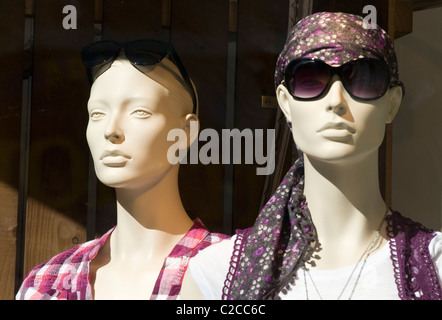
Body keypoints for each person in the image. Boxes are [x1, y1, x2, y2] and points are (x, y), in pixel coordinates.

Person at [189, 12, 442, 300]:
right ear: (285, 104)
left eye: (363, 79)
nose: (336, 101)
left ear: (392, 105)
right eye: (310, 79)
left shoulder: (435, 266)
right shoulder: (214, 276)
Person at [16, 39, 228, 300]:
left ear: (185, 133)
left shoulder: (231, 275)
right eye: (97, 114)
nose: (110, 130)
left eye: (139, 112)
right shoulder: (47, 283)